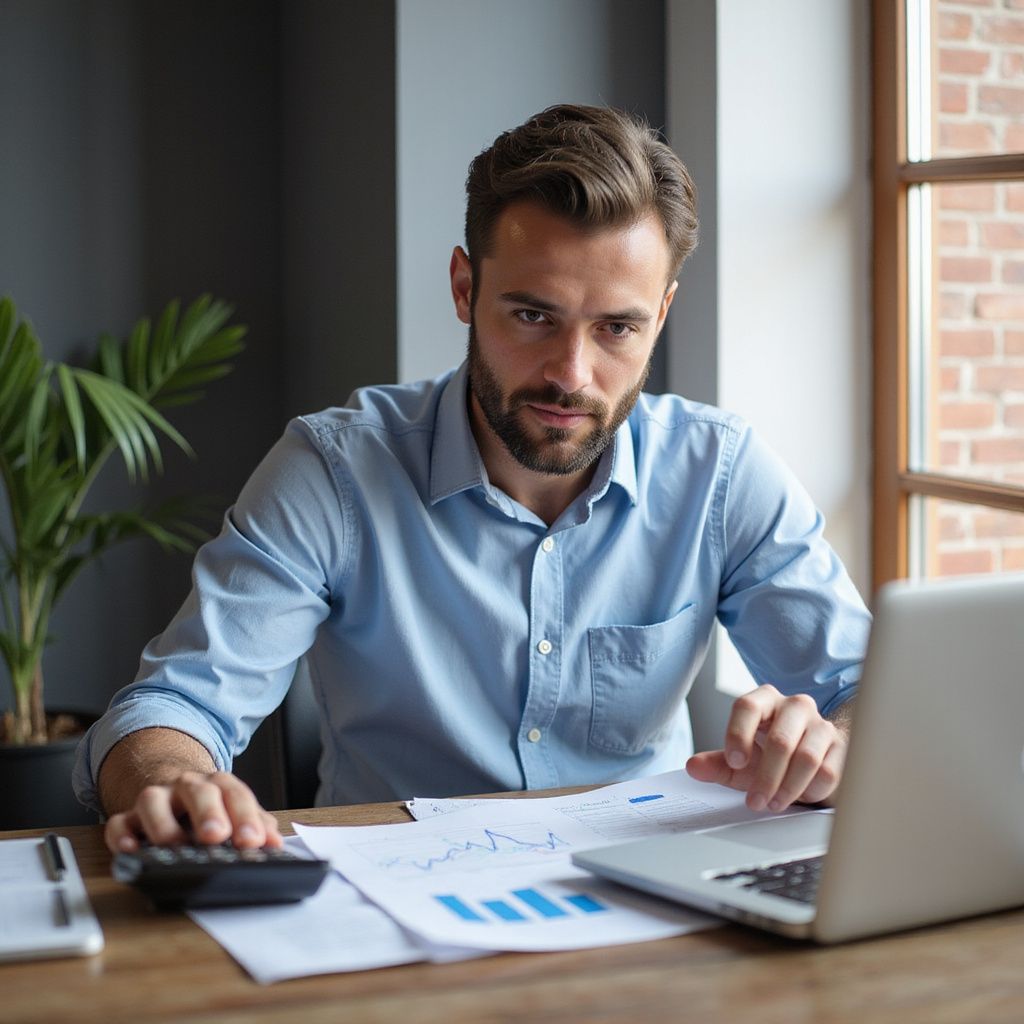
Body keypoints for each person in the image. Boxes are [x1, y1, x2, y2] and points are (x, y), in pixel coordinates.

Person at [74, 104, 871, 855]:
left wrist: (834, 745)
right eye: (533, 316)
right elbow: (173, 707)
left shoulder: (721, 474)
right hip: (392, 914)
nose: (572, 374)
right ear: (465, 287)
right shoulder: (335, 470)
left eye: (617, 328)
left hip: (649, 905)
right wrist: (173, 783)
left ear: (660, 315)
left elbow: (867, 688)